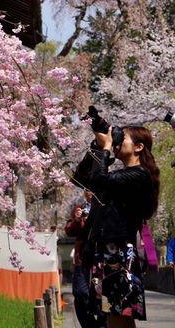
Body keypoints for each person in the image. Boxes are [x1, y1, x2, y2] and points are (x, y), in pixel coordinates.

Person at [72, 126, 160, 328]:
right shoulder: (121, 177)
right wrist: (96, 146)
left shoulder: (139, 175)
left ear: (138, 147)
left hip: (119, 254)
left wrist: (108, 147)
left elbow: (100, 179)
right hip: (107, 252)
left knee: (119, 317)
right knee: (115, 317)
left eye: (124, 138)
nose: (119, 141)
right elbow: (81, 178)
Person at [65, 190, 106, 328]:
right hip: (82, 257)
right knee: (80, 293)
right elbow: (69, 230)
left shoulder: (106, 206)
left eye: (93, 189)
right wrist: (77, 220)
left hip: (102, 257)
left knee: (102, 295)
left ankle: (102, 324)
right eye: (86, 189)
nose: (89, 192)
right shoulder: (80, 208)